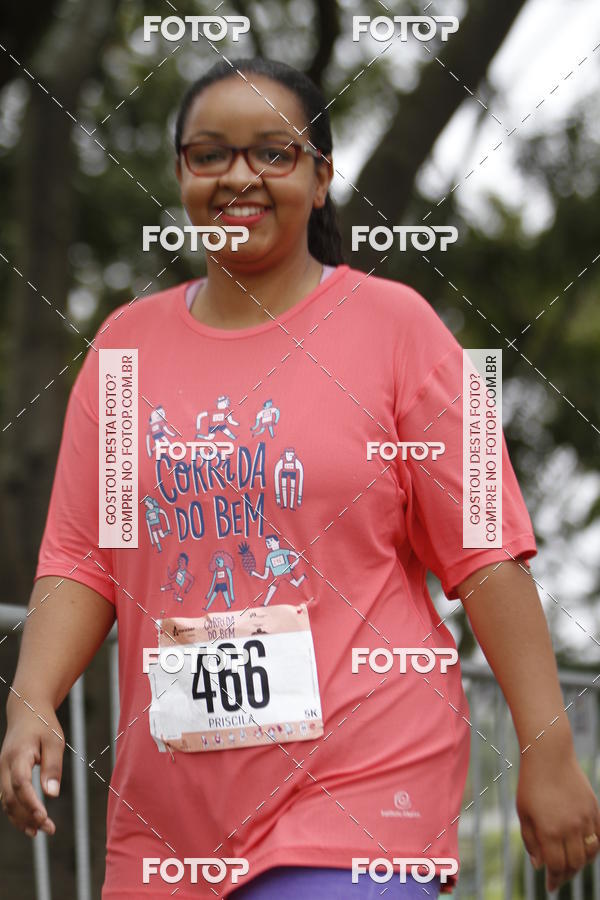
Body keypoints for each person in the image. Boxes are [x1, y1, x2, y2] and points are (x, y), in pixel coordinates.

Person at [1, 56, 599, 900]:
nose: (239, 175)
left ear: (320, 180)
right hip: (167, 824)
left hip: (360, 793)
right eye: (210, 154)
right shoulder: (122, 351)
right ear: (181, 176)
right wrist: (31, 701)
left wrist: (547, 746)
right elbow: (80, 556)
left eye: (273, 154)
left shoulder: (405, 328)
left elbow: (489, 551)